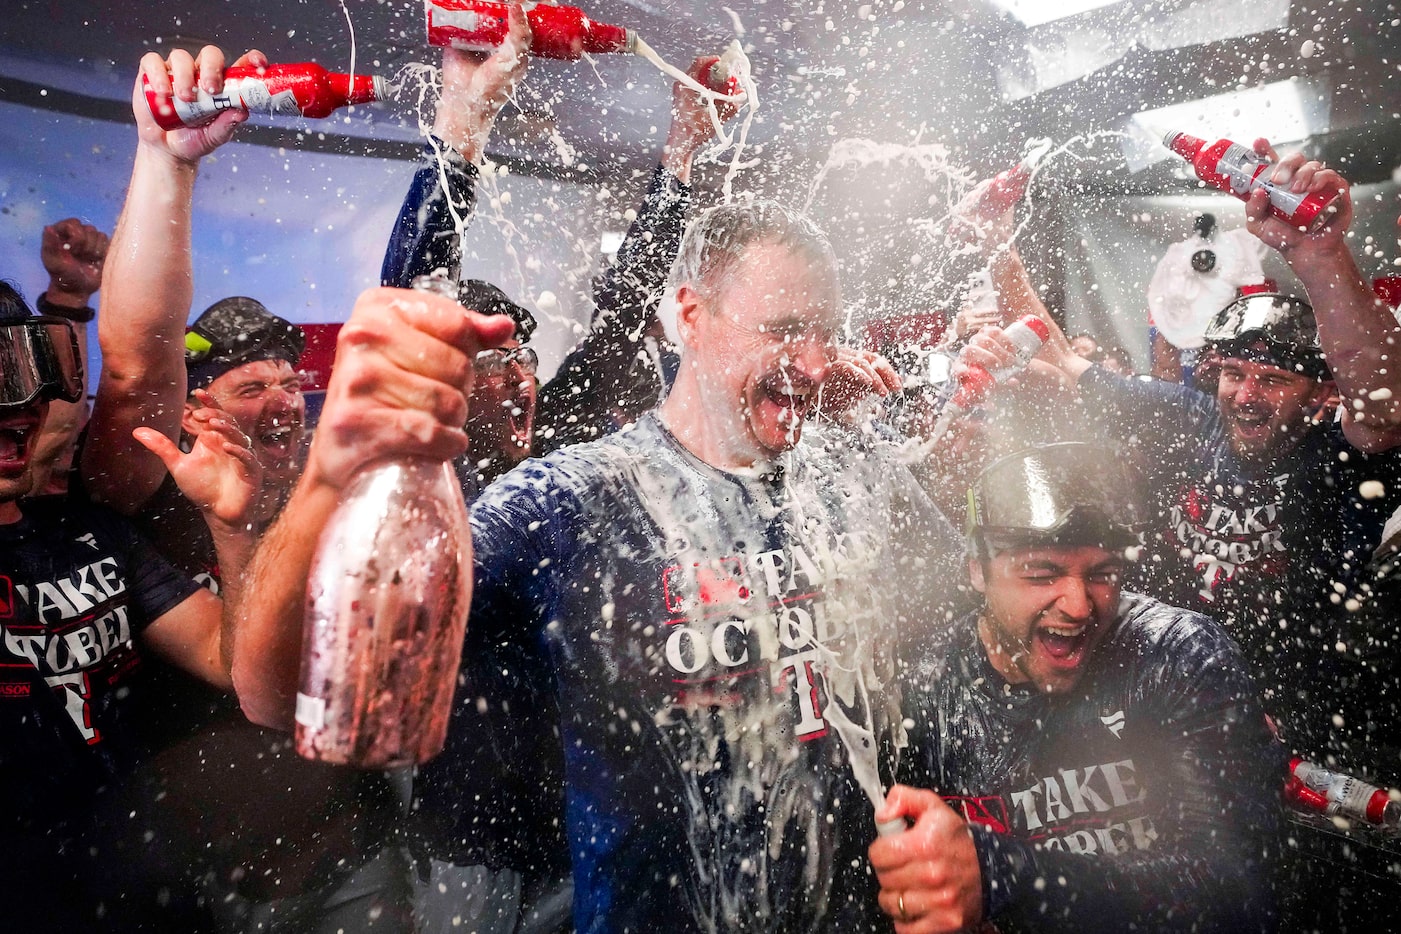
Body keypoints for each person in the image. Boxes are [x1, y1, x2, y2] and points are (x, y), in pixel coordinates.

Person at [232, 200, 963, 932]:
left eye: (824, 333)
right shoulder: (567, 502)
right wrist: (331, 474)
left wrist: (970, 852)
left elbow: (977, 631)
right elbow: (279, 690)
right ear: (690, 314)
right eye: (781, 330)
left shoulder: (853, 474)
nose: (811, 362)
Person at [870, 442, 1279, 934]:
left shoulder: (1176, 656)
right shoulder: (920, 690)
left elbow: (1236, 892)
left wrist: (1005, 878)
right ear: (978, 570)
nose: (1079, 606)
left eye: (1102, 574)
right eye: (1041, 574)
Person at [379, 2, 744, 458]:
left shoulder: (551, 433)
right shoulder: (425, 460)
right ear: (449, 383)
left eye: (523, 357)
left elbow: (625, 313)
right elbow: (407, 313)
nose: (519, 375)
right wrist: (460, 119)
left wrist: (683, 146)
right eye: (495, 361)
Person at [0, 284, 250, 931]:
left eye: (24, 373)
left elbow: (231, 660)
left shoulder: (90, 534)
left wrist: (232, 528)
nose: (19, 405)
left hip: (150, 887)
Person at [28, 217, 108, 496]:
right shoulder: (16, 498)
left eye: (83, 414)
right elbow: (53, 435)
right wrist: (67, 299)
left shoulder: (103, 517)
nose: (75, 425)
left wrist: (69, 297)